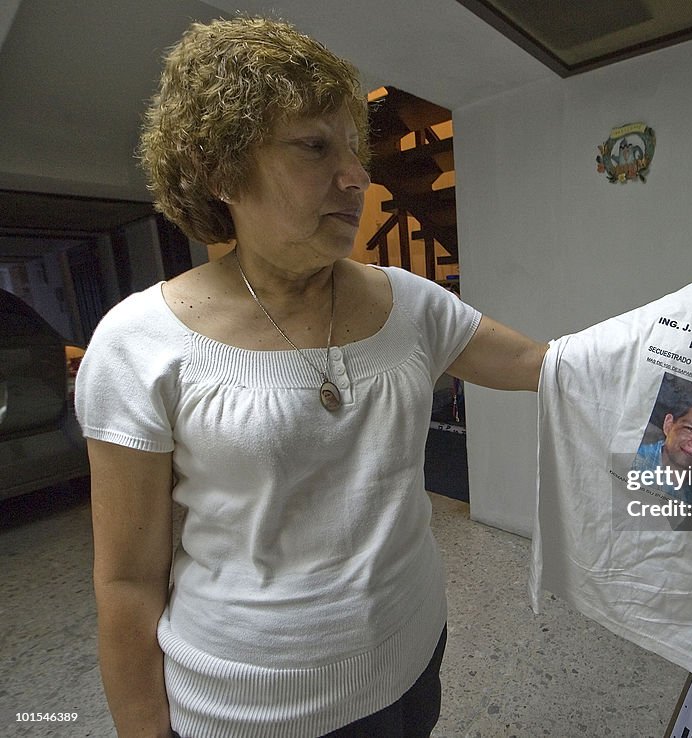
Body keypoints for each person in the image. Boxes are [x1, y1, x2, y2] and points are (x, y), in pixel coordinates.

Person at [75, 16, 548, 738]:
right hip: (254, 707)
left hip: (414, 650)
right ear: (220, 170)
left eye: (354, 149)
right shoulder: (138, 343)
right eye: (314, 146)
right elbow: (128, 581)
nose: (357, 177)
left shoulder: (409, 301)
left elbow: (540, 366)